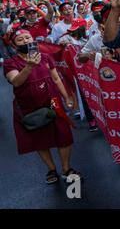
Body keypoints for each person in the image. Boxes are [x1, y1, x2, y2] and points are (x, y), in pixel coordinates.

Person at [3, 29, 81, 184]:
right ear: (13, 44)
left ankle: (66, 168)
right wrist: (29, 66)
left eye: (27, 37)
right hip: (29, 107)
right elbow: (16, 82)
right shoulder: (10, 63)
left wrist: (67, 98)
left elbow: (56, 79)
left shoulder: (45, 57)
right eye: (20, 40)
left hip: (53, 103)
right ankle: (51, 169)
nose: (25, 41)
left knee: (64, 136)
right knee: (39, 139)